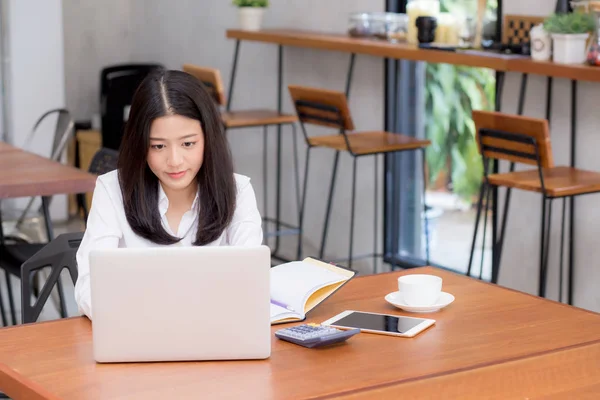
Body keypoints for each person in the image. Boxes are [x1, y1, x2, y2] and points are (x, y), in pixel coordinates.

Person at [74, 69, 263, 319]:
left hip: (214, 338)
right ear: (140, 144)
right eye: (158, 146)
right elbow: (89, 288)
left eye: (188, 144)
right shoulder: (112, 191)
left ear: (209, 139)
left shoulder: (238, 191)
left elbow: (249, 283)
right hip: (137, 335)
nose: (174, 161)